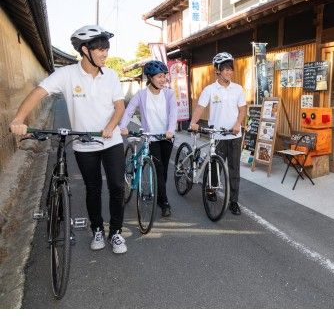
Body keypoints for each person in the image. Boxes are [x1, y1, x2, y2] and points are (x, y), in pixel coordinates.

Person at [9, 25, 127, 254]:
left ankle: (116, 233)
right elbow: (38, 92)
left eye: (106, 49)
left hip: (110, 141)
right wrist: (19, 119)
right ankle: (97, 230)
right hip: (84, 144)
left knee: (117, 187)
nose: (105, 54)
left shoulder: (111, 75)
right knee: (93, 188)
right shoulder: (66, 74)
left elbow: (119, 106)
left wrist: (110, 127)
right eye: (100, 49)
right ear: (85, 50)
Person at [189, 52, 247, 215]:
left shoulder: (238, 89)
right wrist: (193, 122)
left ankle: (233, 201)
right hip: (217, 135)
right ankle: (211, 189)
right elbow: (200, 107)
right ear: (218, 70)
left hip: (234, 135)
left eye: (231, 69)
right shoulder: (210, 89)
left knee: (234, 169)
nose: (229, 72)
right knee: (214, 166)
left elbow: (243, 109)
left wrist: (238, 124)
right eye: (225, 69)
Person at [119, 60, 177, 217]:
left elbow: (173, 113)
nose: (163, 79)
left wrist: (170, 130)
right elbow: (129, 110)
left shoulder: (169, 94)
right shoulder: (141, 95)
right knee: (158, 169)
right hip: (151, 138)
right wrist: (123, 126)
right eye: (159, 76)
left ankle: (160, 195)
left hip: (166, 136)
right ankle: (164, 202)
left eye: (164, 75)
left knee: (164, 170)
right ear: (150, 78)